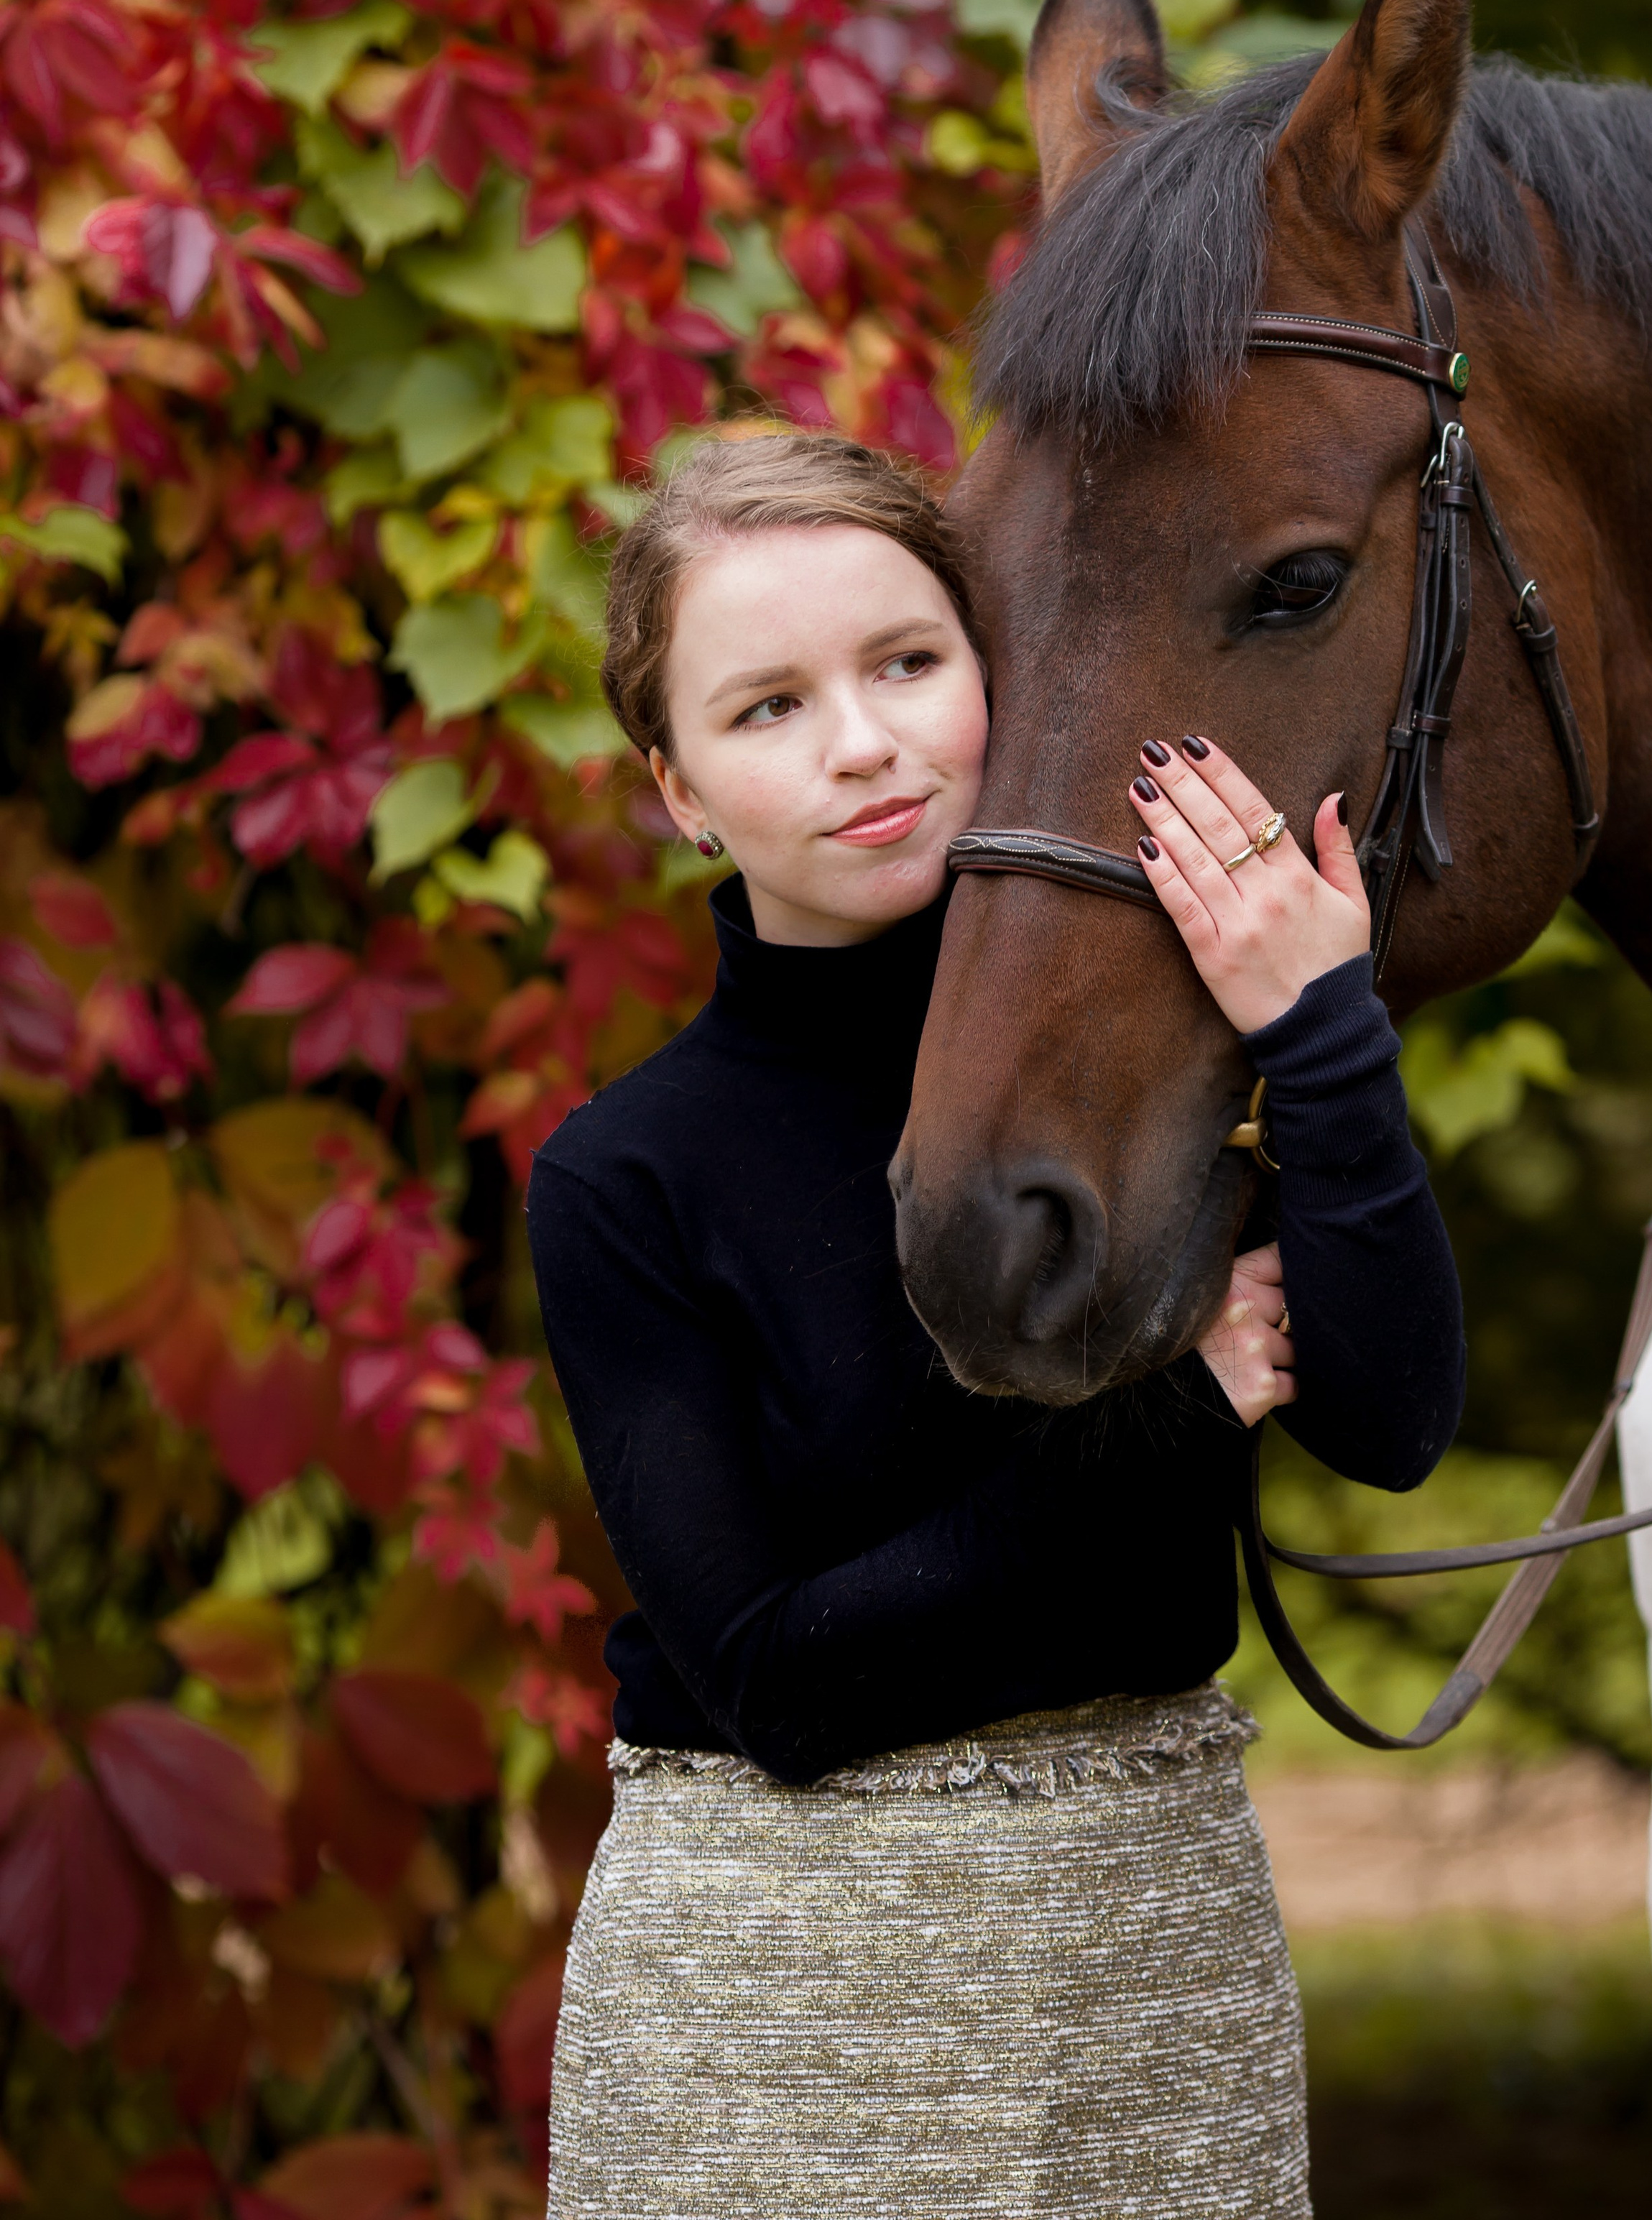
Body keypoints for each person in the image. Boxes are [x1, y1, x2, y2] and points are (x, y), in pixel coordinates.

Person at [529, 431, 1464, 2220]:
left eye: (905, 663)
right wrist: (1173, 1413)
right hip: (782, 1997)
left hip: (1153, 1965)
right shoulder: (625, 1177)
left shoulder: (1145, 1056)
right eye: (768, 707)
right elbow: (782, 1682)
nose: (863, 745)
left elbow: (1385, 1420)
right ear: (678, 790)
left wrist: (1316, 1030)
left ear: (997, 670)